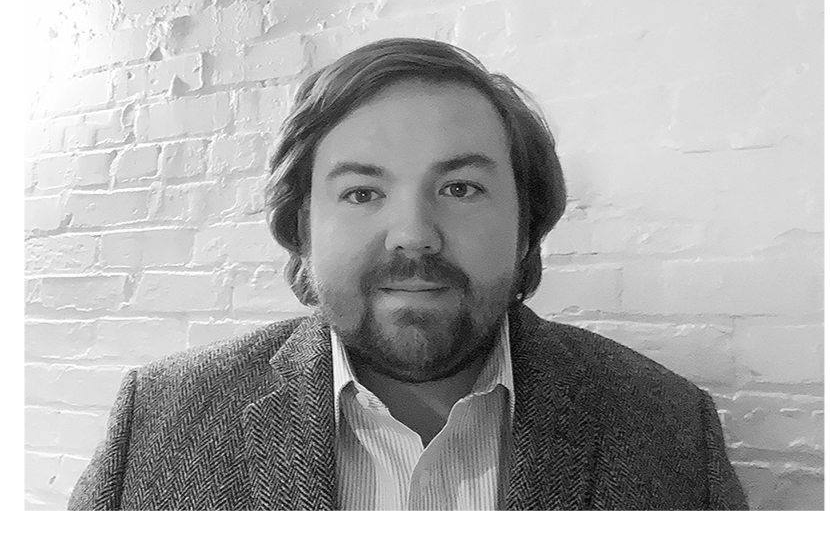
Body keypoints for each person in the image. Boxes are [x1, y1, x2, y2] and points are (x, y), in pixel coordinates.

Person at [68, 37, 748, 511]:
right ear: (302, 228)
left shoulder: (667, 427)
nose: (415, 233)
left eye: (460, 188)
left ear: (525, 221)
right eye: (363, 192)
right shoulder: (159, 423)